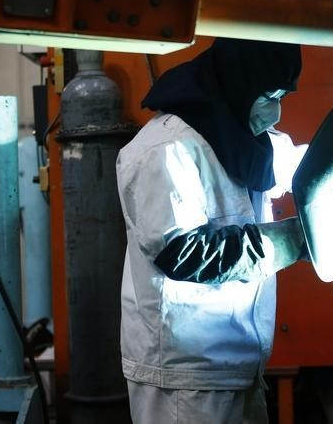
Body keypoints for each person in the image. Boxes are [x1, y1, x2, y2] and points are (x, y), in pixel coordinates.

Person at [116, 39, 308, 424]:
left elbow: (304, 167)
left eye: (282, 96)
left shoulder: (241, 140)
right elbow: (185, 253)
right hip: (185, 378)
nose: (275, 110)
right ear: (239, 81)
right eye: (269, 95)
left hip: (237, 365)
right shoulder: (167, 149)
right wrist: (290, 242)